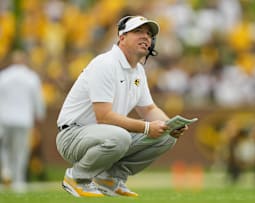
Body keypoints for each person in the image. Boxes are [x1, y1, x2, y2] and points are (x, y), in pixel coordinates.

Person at [56, 15, 189, 198]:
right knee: (120, 137)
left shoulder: (138, 71)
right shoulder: (106, 63)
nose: (146, 37)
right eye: (138, 31)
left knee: (166, 137)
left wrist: (170, 125)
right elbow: (103, 116)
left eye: (149, 34)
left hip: (104, 135)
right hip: (72, 136)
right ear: (122, 37)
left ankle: (109, 179)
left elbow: (149, 110)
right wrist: (147, 127)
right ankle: (77, 178)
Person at [0, 51, 46, 193]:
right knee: (21, 150)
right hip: (23, 119)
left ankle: (6, 170)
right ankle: (18, 181)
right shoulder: (31, 77)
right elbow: (38, 100)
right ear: (25, 61)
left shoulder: (4, 76)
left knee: (5, 147)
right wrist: (40, 115)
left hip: (5, 118)